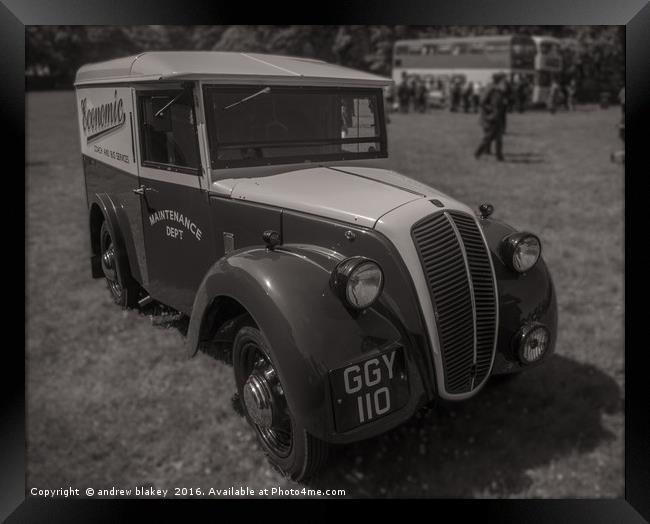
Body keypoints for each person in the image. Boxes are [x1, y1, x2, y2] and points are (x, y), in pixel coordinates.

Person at [474, 73, 508, 161]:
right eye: (503, 80)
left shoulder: (499, 91)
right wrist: (491, 112)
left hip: (497, 117)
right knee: (489, 137)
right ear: (499, 81)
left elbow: (498, 103)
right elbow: (482, 102)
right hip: (491, 118)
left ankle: (499, 156)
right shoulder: (491, 89)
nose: (505, 82)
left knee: (499, 137)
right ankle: (477, 153)